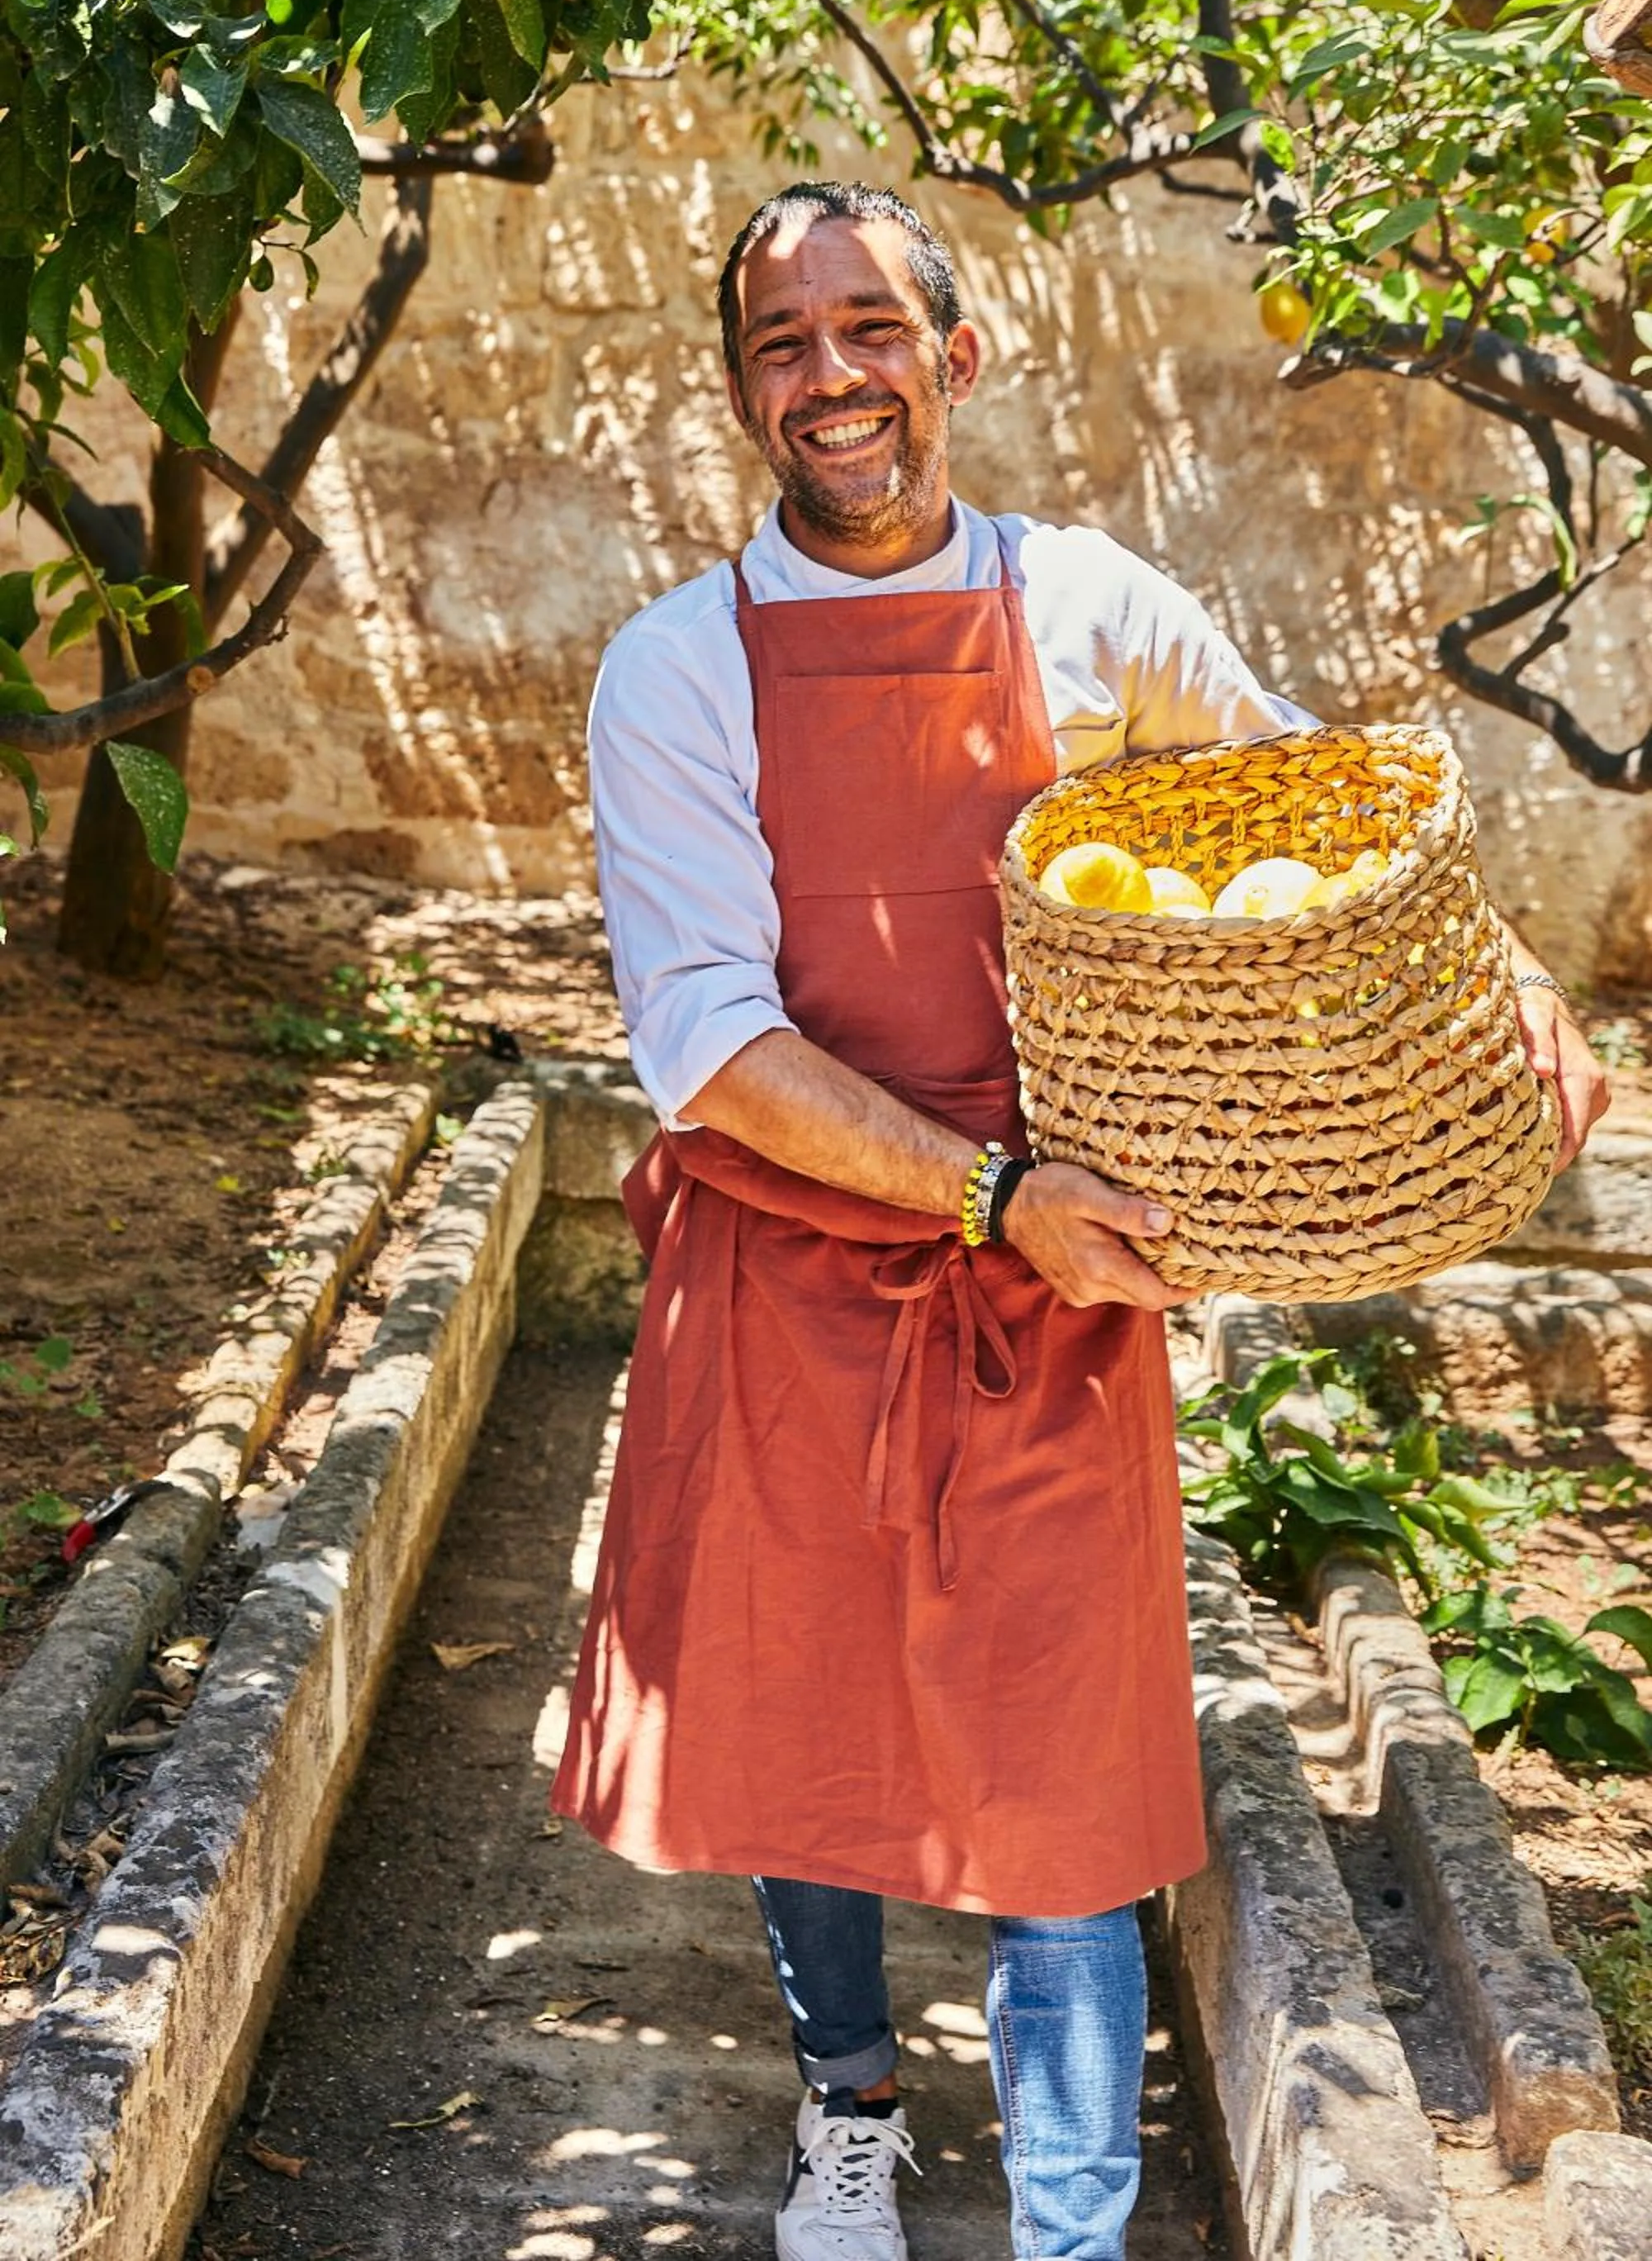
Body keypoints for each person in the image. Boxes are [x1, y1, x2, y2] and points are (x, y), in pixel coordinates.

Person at [550, 181, 1607, 2261]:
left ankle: (1068, 2224)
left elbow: (1311, 840)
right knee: (799, 1722)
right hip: (791, 1263)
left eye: (870, 328)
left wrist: (1464, 1036)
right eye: (782, 342)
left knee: (1062, 1778)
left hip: (1063, 1283)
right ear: (744, 389)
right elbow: (703, 1034)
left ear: (956, 356)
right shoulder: (676, 667)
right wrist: (989, 1191)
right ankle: (847, 2109)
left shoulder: (1093, 610)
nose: (829, 376)